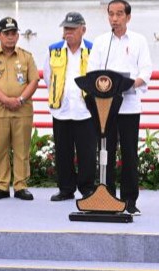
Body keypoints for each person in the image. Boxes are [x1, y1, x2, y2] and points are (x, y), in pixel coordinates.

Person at [87, 0, 152, 216]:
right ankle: (108, 197)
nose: (114, 19)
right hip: (105, 108)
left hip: (129, 106)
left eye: (119, 14)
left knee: (129, 154)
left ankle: (129, 200)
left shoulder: (139, 41)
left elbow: (145, 71)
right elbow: (91, 71)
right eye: (111, 14)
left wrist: (129, 84)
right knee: (106, 152)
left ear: (128, 17)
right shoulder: (100, 42)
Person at [0, 17, 39, 201]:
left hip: (22, 109)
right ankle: (2, 185)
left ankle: (21, 185)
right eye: (6, 34)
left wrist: (20, 100)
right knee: (0, 148)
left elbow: (34, 81)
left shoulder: (26, 56)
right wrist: (6, 100)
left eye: (14, 33)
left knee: (22, 149)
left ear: (18, 35)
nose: (10, 37)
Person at [43, 12, 96, 201]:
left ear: (83, 29)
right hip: (62, 110)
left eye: (73, 29)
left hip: (86, 111)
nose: (68, 32)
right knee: (63, 153)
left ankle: (87, 188)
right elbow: (48, 77)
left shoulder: (93, 49)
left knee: (87, 153)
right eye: (66, 29)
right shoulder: (53, 50)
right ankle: (66, 189)